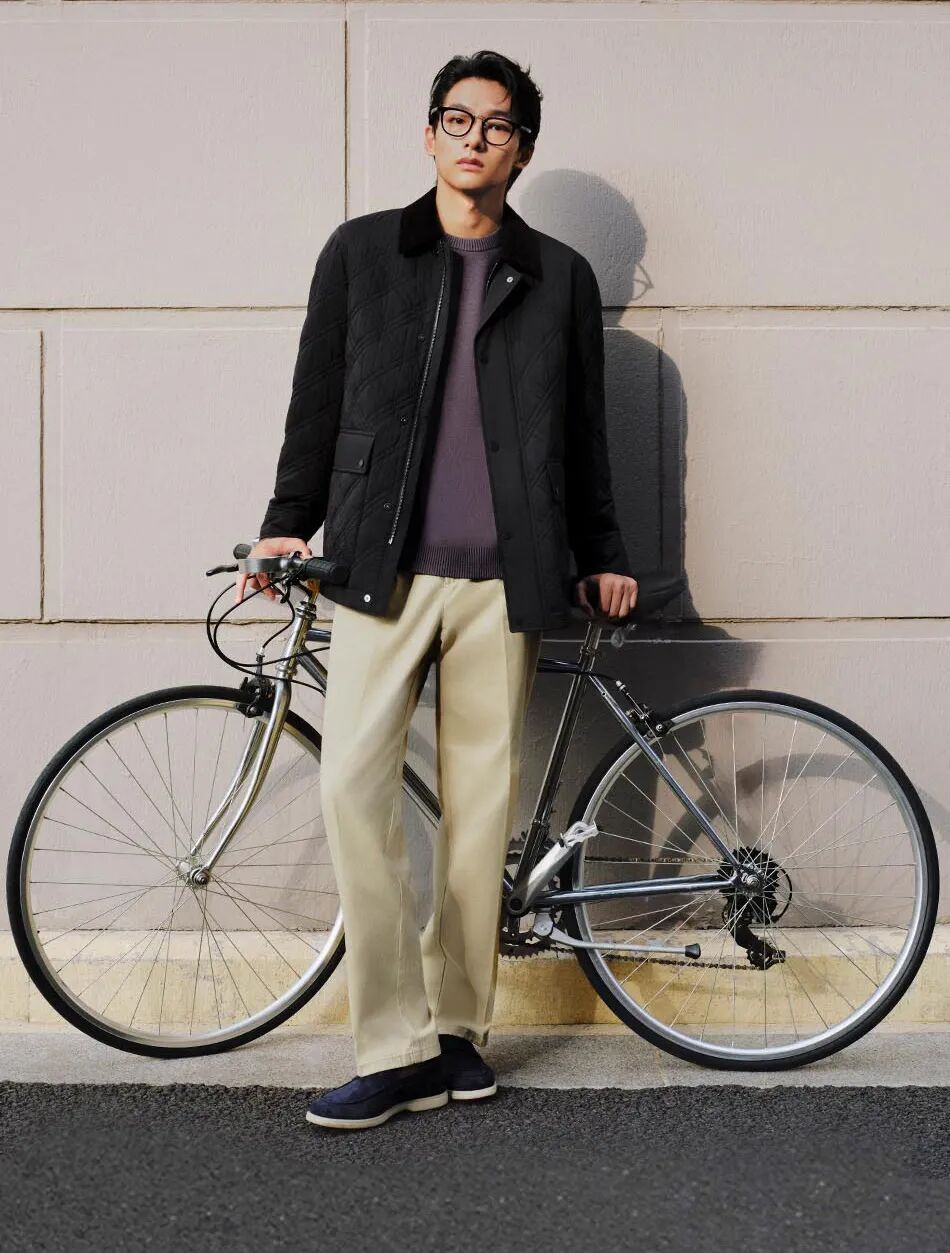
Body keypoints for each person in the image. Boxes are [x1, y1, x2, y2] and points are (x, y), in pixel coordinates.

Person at [235, 49, 638, 1131]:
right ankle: (395, 1044)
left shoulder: (559, 276)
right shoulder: (362, 253)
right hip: (381, 573)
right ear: (428, 135)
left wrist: (602, 548)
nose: (473, 138)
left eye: (496, 125)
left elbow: (582, 435)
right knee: (351, 788)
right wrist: (286, 518)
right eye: (457, 119)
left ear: (520, 151)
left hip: (505, 581)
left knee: (476, 820)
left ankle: (457, 1032)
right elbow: (317, 399)